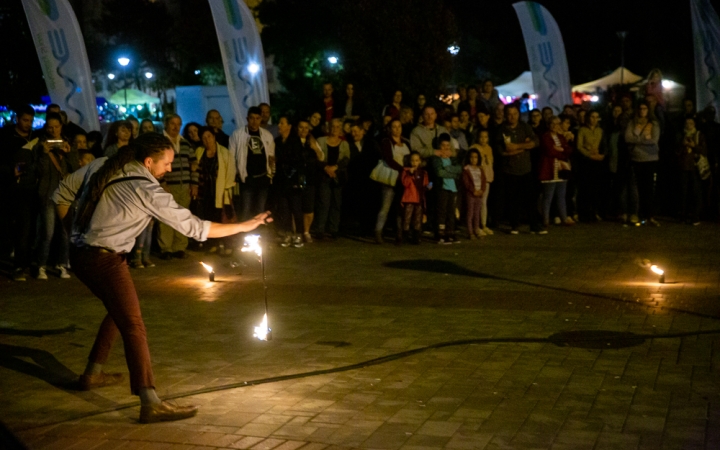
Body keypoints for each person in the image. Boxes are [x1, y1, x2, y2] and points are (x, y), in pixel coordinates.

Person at [52, 133, 271, 424]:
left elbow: (61, 193)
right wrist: (244, 225)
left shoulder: (105, 164)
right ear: (148, 162)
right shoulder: (147, 189)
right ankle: (149, 400)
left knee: (119, 312)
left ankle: (93, 373)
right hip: (104, 260)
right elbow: (196, 228)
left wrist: (76, 234)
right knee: (134, 324)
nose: (170, 168)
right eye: (166, 163)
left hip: (82, 256)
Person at [34, 112, 74, 280]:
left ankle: (61, 264)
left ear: (61, 127)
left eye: (56, 127)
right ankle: (41, 265)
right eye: (49, 127)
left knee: (65, 233)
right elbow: (39, 171)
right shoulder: (40, 145)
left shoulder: (67, 144)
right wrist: (44, 154)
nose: (53, 130)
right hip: (48, 194)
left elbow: (74, 169)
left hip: (64, 195)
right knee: (47, 232)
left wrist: (68, 153)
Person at [1, 105, 36, 280]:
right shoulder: (6, 137)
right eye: (25, 120)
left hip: (29, 190)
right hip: (9, 188)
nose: (28, 124)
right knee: (10, 228)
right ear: (17, 119)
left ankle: (21, 265)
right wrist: (9, 171)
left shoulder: (35, 137)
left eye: (30, 121)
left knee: (25, 228)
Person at [192, 127, 237, 253]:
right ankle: (213, 243)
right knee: (208, 218)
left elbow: (230, 171)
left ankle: (228, 245)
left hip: (221, 192)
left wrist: (227, 188)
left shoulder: (224, 152)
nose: (207, 140)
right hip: (205, 191)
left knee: (224, 219)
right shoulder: (199, 152)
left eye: (209, 136)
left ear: (214, 137)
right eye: (204, 137)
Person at [157, 114, 196, 259]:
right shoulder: (160, 142)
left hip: (184, 186)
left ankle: (179, 247)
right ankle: (166, 248)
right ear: (166, 124)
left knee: (182, 216)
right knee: (166, 217)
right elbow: (154, 165)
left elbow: (194, 164)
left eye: (178, 124)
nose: (175, 127)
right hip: (167, 186)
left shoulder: (185, 143)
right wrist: (162, 183)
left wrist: (194, 183)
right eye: (173, 123)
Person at [499, 104, 542, 234]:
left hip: (525, 168)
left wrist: (517, 146)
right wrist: (524, 146)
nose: (512, 117)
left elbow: (535, 142)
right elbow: (503, 150)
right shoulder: (501, 130)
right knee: (513, 200)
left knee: (530, 198)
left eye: (515, 114)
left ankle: (534, 225)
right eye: (509, 114)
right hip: (509, 169)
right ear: (506, 115)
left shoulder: (525, 127)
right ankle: (514, 225)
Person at [229, 106, 276, 221]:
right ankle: (245, 235)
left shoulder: (267, 135)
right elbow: (231, 157)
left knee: (260, 209)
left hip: (263, 177)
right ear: (247, 118)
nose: (255, 121)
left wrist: (271, 174)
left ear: (261, 119)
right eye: (252, 118)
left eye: (257, 118)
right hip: (247, 178)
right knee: (246, 208)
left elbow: (271, 156)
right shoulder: (237, 135)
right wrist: (234, 175)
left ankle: (258, 235)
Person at [374, 119, 410, 244]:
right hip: (391, 177)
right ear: (390, 129)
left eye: (399, 126)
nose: (397, 129)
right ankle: (378, 231)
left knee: (401, 207)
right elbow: (388, 159)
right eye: (394, 127)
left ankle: (400, 234)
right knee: (385, 206)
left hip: (404, 179)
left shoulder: (406, 142)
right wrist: (403, 169)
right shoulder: (386, 142)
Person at [625, 101, 661, 226]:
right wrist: (643, 139)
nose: (642, 111)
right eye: (640, 108)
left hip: (651, 158)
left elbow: (654, 140)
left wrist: (637, 141)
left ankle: (650, 215)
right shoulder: (632, 123)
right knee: (637, 189)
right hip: (637, 159)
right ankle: (639, 214)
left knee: (649, 188)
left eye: (644, 108)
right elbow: (627, 138)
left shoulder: (653, 124)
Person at [274, 116, 307, 248]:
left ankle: (299, 234)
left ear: (289, 126)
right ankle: (287, 233)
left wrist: (280, 160)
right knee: (284, 209)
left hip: (292, 179)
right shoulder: (277, 141)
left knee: (296, 209)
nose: (279, 126)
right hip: (280, 180)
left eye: (282, 123)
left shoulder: (295, 141)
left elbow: (296, 160)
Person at [315, 118, 350, 238]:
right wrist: (326, 168)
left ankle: (333, 229)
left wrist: (335, 167)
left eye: (338, 127)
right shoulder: (320, 141)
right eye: (333, 126)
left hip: (338, 177)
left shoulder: (344, 144)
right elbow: (316, 157)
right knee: (323, 203)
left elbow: (346, 159)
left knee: (336, 203)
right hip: (324, 176)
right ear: (329, 127)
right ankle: (320, 229)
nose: (335, 129)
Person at [539, 116, 574, 228]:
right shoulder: (545, 137)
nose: (555, 126)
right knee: (548, 196)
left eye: (558, 123)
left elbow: (568, 150)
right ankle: (545, 220)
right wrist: (561, 151)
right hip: (550, 168)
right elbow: (549, 151)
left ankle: (564, 218)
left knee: (561, 195)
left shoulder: (560, 137)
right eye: (553, 123)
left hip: (561, 170)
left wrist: (560, 150)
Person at [347, 121, 380, 235]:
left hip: (370, 179)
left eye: (356, 131)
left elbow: (376, 158)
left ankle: (369, 227)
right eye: (352, 131)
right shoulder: (348, 144)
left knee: (370, 204)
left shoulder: (371, 143)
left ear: (362, 131)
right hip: (355, 179)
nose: (354, 134)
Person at [430, 133, 462, 243]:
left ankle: (450, 233)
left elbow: (459, 170)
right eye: (443, 145)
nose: (446, 148)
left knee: (451, 211)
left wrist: (448, 168)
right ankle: (440, 233)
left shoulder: (452, 159)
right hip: (442, 188)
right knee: (441, 211)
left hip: (453, 188)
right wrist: (452, 171)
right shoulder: (436, 158)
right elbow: (439, 172)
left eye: (448, 146)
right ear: (439, 146)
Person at [296, 119, 324, 242]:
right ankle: (296, 231)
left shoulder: (312, 141)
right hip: (296, 178)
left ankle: (306, 231)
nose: (303, 130)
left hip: (310, 179)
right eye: (301, 127)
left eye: (306, 128)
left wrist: (315, 149)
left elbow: (321, 157)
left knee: (308, 207)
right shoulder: (293, 141)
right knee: (296, 207)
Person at [576, 111, 605, 222]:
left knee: (596, 188)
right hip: (586, 162)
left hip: (597, 161)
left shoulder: (600, 130)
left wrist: (602, 155)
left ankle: (594, 212)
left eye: (596, 117)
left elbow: (603, 144)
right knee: (585, 188)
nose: (594, 119)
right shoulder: (582, 130)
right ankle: (585, 213)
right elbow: (579, 146)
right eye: (592, 117)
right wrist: (589, 155)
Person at [676, 116, 706, 225]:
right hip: (683, 166)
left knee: (695, 191)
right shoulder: (681, 135)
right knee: (683, 192)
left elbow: (704, 150)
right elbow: (676, 151)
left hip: (695, 167)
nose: (689, 124)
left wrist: (694, 146)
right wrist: (682, 145)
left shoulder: (698, 135)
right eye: (687, 122)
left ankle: (695, 215)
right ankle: (682, 215)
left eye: (691, 122)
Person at [469, 129, 494, 235]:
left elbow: (490, 163)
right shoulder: (474, 148)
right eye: (481, 137)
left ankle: (483, 224)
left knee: (484, 202)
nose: (483, 139)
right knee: (475, 204)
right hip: (476, 178)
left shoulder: (489, 148)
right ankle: (475, 226)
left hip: (486, 178)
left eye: (486, 137)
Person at [400, 151, 428, 244]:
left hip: (419, 198)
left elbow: (426, 184)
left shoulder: (423, 172)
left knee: (417, 219)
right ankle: (405, 236)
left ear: (420, 161)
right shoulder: (406, 171)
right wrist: (410, 174)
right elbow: (405, 183)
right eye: (412, 160)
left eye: (416, 160)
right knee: (407, 218)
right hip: (409, 198)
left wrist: (429, 186)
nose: (414, 163)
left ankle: (416, 237)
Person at [462, 149, 487, 240]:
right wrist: (473, 190)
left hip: (479, 194)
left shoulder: (480, 169)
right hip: (471, 194)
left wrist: (482, 190)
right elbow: (466, 182)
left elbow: (483, 181)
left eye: (476, 157)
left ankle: (476, 229)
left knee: (477, 213)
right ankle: (470, 231)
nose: (474, 159)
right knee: (470, 213)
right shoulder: (467, 169)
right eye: (472, 157)